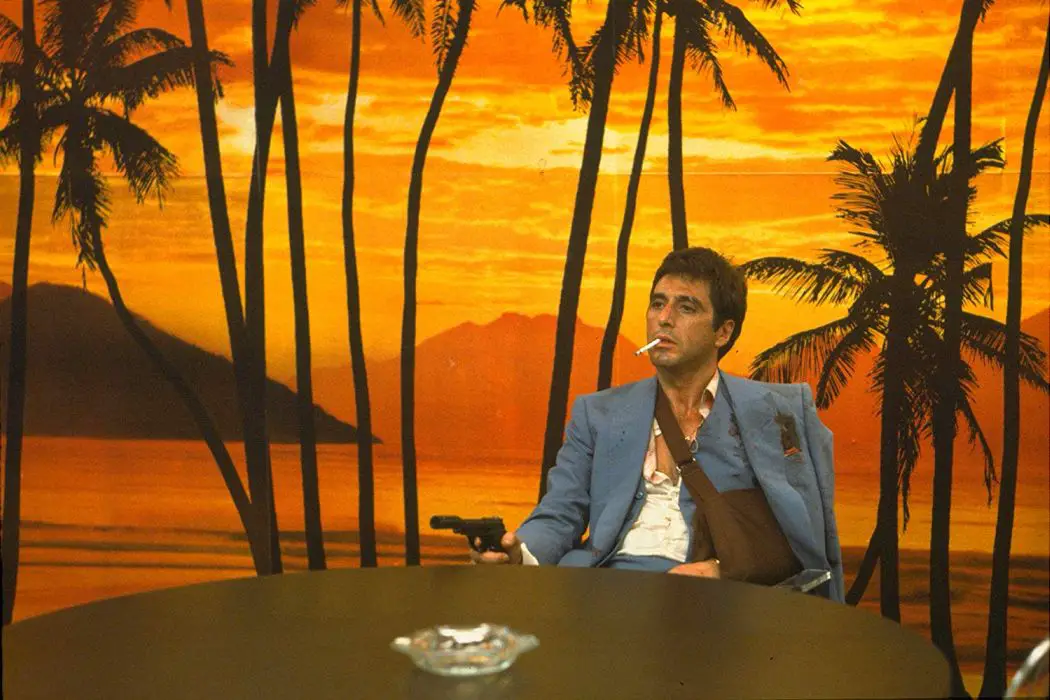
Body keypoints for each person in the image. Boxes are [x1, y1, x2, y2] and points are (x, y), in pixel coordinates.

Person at [474, 247, 844, 602]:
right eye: (657, 303)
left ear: (723, 332)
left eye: (686, 307)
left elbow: (803, 531)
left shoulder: (774, 411)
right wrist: (518, 553)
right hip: (601, 590)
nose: (664, 319)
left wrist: (723, 571)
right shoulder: (597, 412)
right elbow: (559, 512)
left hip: (714, 604)